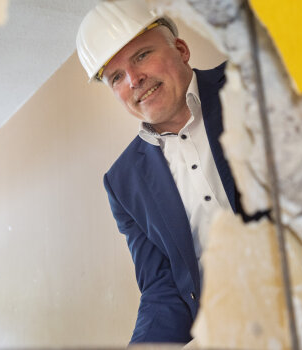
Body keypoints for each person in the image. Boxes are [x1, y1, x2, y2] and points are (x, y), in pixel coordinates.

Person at [76, 0, 244, 343]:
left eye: (141, 56)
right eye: (116, 77)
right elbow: (162, 286)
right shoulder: (122, 183)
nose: (135, 79)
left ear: (180, 49)